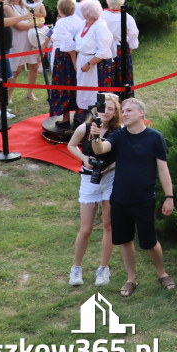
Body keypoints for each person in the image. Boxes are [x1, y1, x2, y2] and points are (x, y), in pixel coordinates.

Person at [96, 98, 175, 297]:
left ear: (141, 113)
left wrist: (169, 197)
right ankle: (131, 279)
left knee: (150, 242)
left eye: (129, 110)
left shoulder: (155, 137)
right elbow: (101, 149)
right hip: (120, 199)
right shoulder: (119, 135)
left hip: (144, 199)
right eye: (123, 110)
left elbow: (163, 169)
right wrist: (96, 138)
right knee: (125, 241)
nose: (125, 113)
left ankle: (162, 273)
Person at [66, 93, 122, 287]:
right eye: (103, 108)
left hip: (110, 180)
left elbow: (120, 156)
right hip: (89, 180)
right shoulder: (85, 127)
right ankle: (76, 267)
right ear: (96, 109)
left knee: (108, 225)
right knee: (86, 228)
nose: (106, 112)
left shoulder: (119, 131)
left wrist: (110, 168)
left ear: (116, 112)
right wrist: (83, 159)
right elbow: (71, 145)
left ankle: (103, 268)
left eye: (110, 109)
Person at [7, 0, 47, 102]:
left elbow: (36, 17)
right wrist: (35, 24)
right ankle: (8, 96)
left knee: (34, 66)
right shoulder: (8, 7)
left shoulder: (26, 6)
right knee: (16, 70)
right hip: (18, 41)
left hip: (31, 40)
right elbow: (18, 26)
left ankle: (30, 92)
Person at [75, 0, 113, 120]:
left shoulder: (100, 26)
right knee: (83, 90)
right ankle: (84, 116)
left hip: (96, 65)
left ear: (88, 13)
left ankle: (99, 119)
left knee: (96, 93)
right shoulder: (84, 23)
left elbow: (103, 51)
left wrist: (89, 63)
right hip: (83, 59)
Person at [49, 0, 81, 129]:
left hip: (63, 57)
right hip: (72, 55)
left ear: (60, 9)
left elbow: (69, 45)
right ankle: (78, 114)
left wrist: (74, 62)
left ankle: (65, 118)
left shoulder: (62, 23)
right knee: (75, 84)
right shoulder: (78, 20)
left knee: (63, 86)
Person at [100, 0, 139, 90]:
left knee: (107, 72)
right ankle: (123, 97)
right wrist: (130, 48)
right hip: (121, 48)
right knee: (123, 73)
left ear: (108, 3)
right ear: (122, 3)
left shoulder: (102, 15)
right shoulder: (128, 17)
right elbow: (133, 34)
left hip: (105, 47)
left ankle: (108, 98)